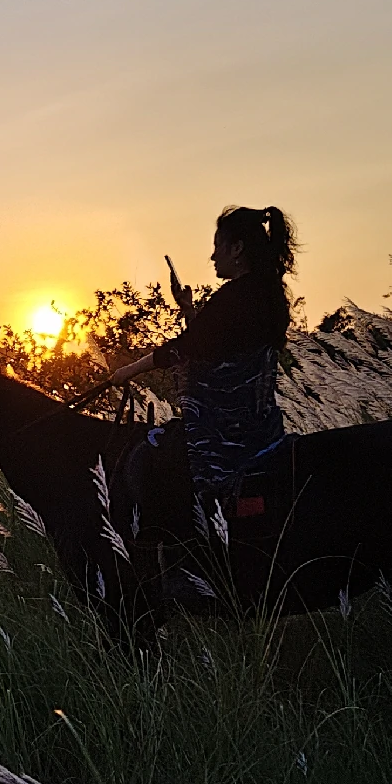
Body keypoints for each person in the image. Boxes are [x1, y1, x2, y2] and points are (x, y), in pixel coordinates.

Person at [102, 204, 296, 544]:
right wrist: (188, 309)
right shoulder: (270, 296)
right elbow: (216, 346)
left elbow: (185, 348)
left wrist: (127, 371)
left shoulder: (234, 297)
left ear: (237, 249)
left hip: (221, 434)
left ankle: (178, 546)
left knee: (145, 461)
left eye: (218, 246)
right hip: (262, 427)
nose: (212, 256)